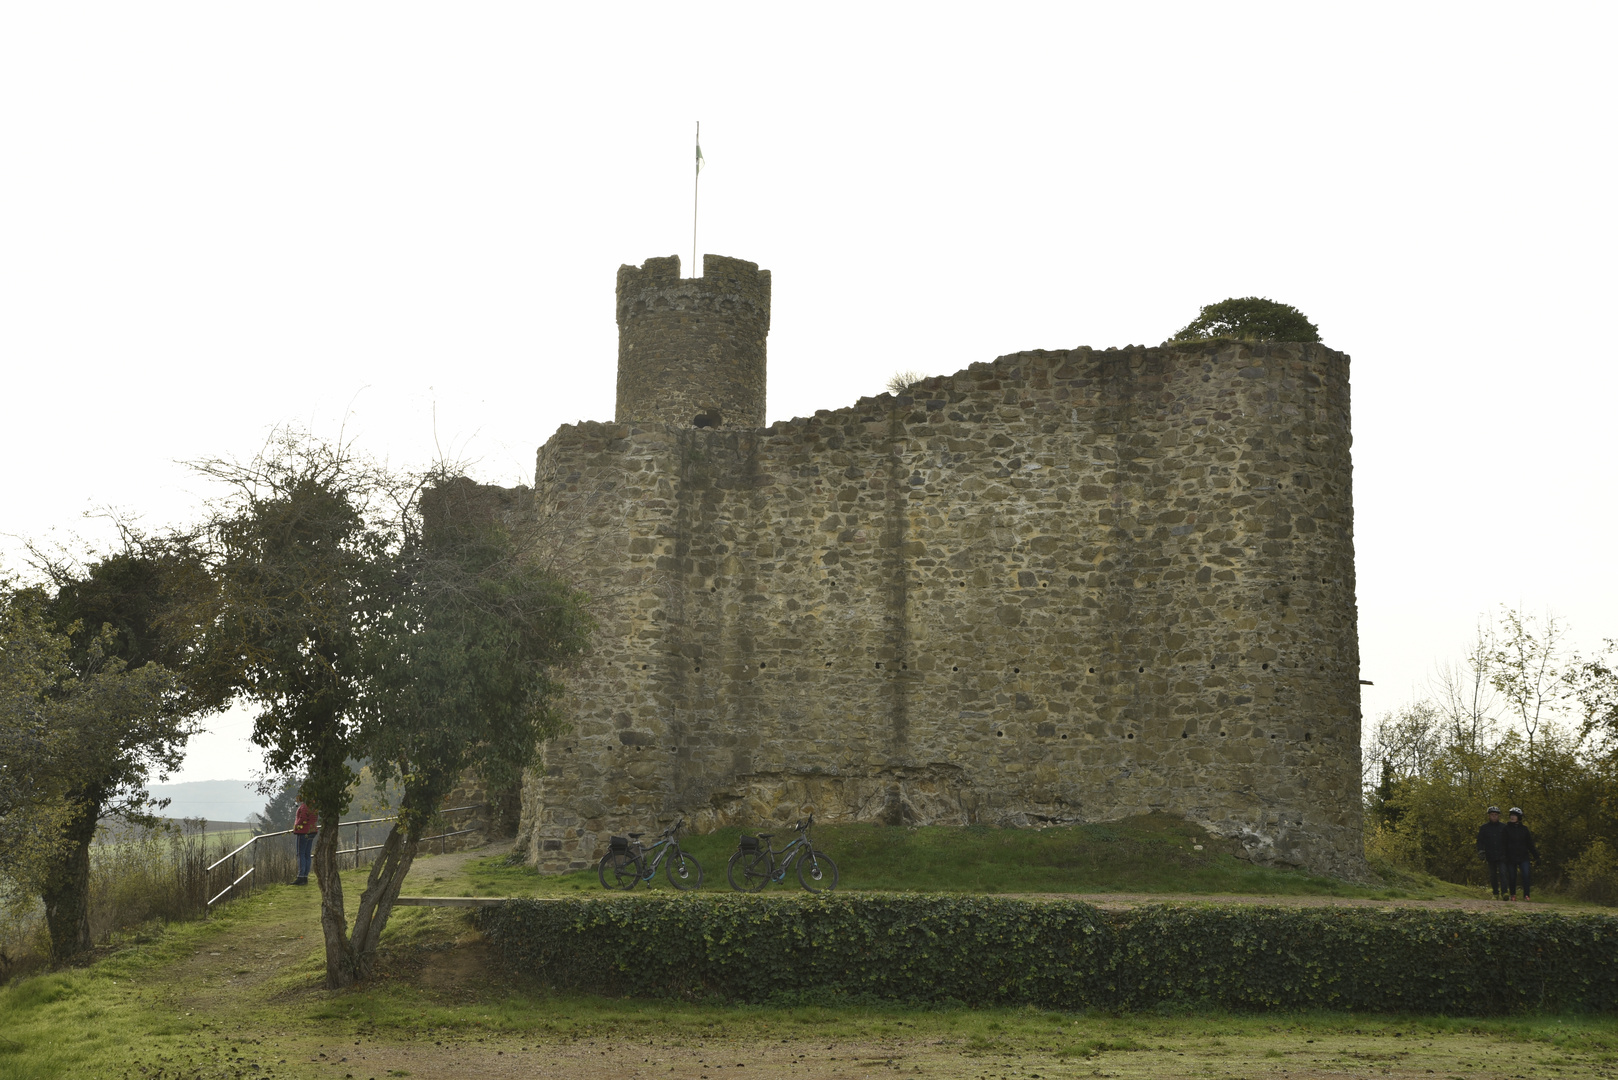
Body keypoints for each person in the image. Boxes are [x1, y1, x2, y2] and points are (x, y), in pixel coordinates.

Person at [1503, 807, 1539, 901]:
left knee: (1526, 875)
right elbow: (1503, 843)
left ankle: (1526, 895)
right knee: (1512, 876)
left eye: (1514, 815)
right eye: (1511, 815)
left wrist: (1536, 856)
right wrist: (1504, 856)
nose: (1512, 817)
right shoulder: (1506, 829)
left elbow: (1530, 844)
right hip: (1511, 857)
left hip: (1523, 856)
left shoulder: (1524, 829)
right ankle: (1513, 894)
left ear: (1519, 817)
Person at [1476, 805, 1508, 899]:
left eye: (1496, 815)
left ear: (1498, 816)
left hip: (1502, 855)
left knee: (1503, 873)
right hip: (1490, 854)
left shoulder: (1504, 827)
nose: (1494, 816)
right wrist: (1481, 851)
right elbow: (1480, 840)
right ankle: (1495, 893)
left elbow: (1508, 841)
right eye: (1492, 815)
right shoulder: (1484, 828)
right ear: (1489, 816)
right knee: (1492, 874)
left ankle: (1504, 892)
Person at [292, 790, 318, 886]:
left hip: (303, 831)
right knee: (307, 854)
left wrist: (296, 827)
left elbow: (302, 818)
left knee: (301, 853)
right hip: (312, 830)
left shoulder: (304, 807)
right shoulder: (314, 806)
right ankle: (305, 876)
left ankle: (301, 876)